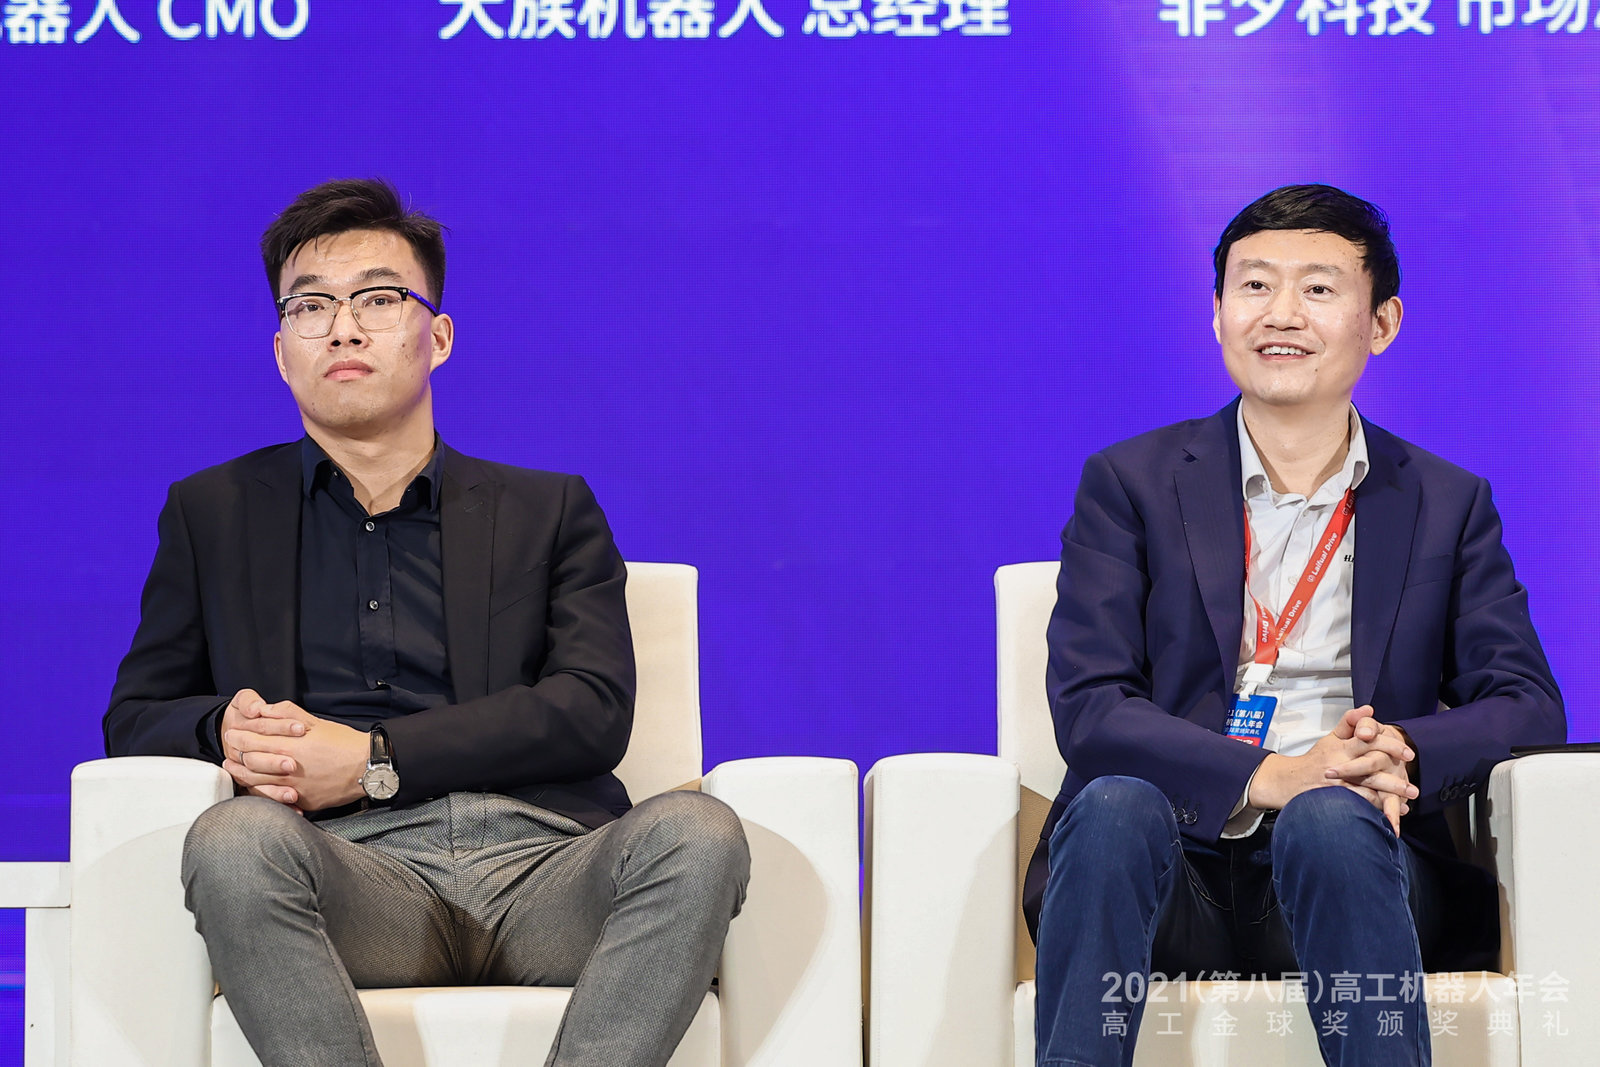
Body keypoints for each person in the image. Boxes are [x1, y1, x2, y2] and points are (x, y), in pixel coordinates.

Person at [103, 178, 750, 1067]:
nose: (343, 328)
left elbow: (592, 708)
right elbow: (136, 716)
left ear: (438, 336)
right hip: (346, 877)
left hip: (549, 868)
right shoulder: (211, 512)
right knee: (233, 842)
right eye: (310, 306)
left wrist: (374, 758)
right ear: (283, 352)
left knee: (699, 833)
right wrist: (225, 728)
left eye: (376, 298)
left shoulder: (549, 508)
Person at [1024, 184, 1564, 1067]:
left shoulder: (1446, 501)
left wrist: (1396, 752)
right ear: (1217, 312)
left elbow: (1528, 703)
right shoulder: (1130, 482)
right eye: (1254, 285)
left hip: (1360, 862)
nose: (1281, 314)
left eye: (1317, 288)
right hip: (1170, 868)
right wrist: (1271, 772)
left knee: (1328, 815)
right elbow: (1090, 706)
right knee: (1114, 803)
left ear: (1381, 322)